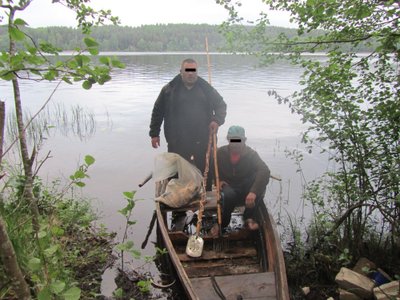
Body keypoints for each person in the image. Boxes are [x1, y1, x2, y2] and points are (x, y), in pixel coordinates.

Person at [149, 58, 227, 178]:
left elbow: (221, 105)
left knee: (205, 171)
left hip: (203, 139)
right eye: (187, 70)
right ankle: (176, 195)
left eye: (193, 70)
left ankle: (205, 194)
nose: (190, 73)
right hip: (177, 140)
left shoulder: (207, 89)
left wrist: (216, 120)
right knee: (175, 173)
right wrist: (154, 133)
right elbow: (158, 111)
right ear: (181, 71)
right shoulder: (169, 90)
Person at [211, 125, 271, 236]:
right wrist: (217, 181)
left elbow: (265, 170)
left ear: (244, 141)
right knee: (228, 196)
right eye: (232, 141)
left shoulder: (251, 154)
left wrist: (253, 192)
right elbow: (212, 168)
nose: (235, 144)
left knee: (260, 184)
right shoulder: (220, 153)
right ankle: (222, 223)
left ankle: (248, 217)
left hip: (245, 186)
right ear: (228, 140)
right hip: (228, 185)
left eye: (239, 141)